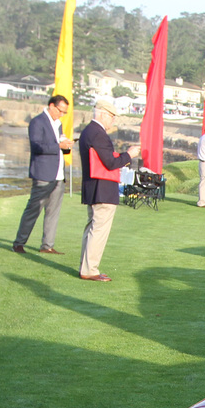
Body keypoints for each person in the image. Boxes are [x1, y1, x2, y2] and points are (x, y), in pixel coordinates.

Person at [77, 98, 138, 282]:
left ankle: (87, 267)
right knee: (98, 230)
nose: (113, 122)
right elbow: (110, 162)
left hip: (93, 187)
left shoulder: (89, 131)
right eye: (112, 117)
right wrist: (129, 155)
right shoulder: (98, 134)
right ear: (103, 114)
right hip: (102, 189)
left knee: (92, 229)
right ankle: (90, 269)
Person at [12, 94, 72, 255]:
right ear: (52, 106)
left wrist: (66, 146)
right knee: (33, 209)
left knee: (53, 212)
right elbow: (37, 146)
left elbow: (58, 146)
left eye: (64, 112)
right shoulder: (37, 122)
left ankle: (47, 245)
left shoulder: (58, 124)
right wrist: (58, 145)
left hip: (58, 174)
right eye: (61, 111)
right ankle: (19, 242)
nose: (62, 114)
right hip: (43, 174)